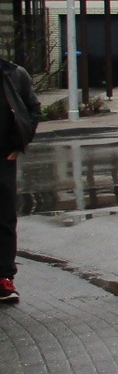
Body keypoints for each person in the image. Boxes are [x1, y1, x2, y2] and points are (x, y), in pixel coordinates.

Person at [0, 56, 40, 303]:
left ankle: (4, 279)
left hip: (3, 159)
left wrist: (20, 142)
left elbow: (32, 109)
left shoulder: (15, 74)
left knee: (4, 220)